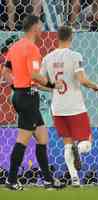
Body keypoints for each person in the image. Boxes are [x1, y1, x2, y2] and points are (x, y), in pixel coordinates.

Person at [3, 15, 64, 190]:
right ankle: (11, 180)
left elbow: (6, 72)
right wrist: (53, 84)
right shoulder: (32, 48)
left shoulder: (14, 47)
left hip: (22, 95)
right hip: (28, 99)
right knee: (22, 139)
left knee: (42, 137)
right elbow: (35, 75)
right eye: (41, 25)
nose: (42, 29)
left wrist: (17, 86)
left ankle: (47, 180)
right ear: (34, 27)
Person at [40, 26, 98, 187]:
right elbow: (81, 79)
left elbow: (37, 82)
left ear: (57, 37)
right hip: (75, 106)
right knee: (86, 142)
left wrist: (53, 86)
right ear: (71, 37)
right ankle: (78, 151)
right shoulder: (75, 56)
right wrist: (94, 86)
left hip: (57, 107)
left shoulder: (47, 58)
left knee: (67, 143)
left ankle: (74, 179)